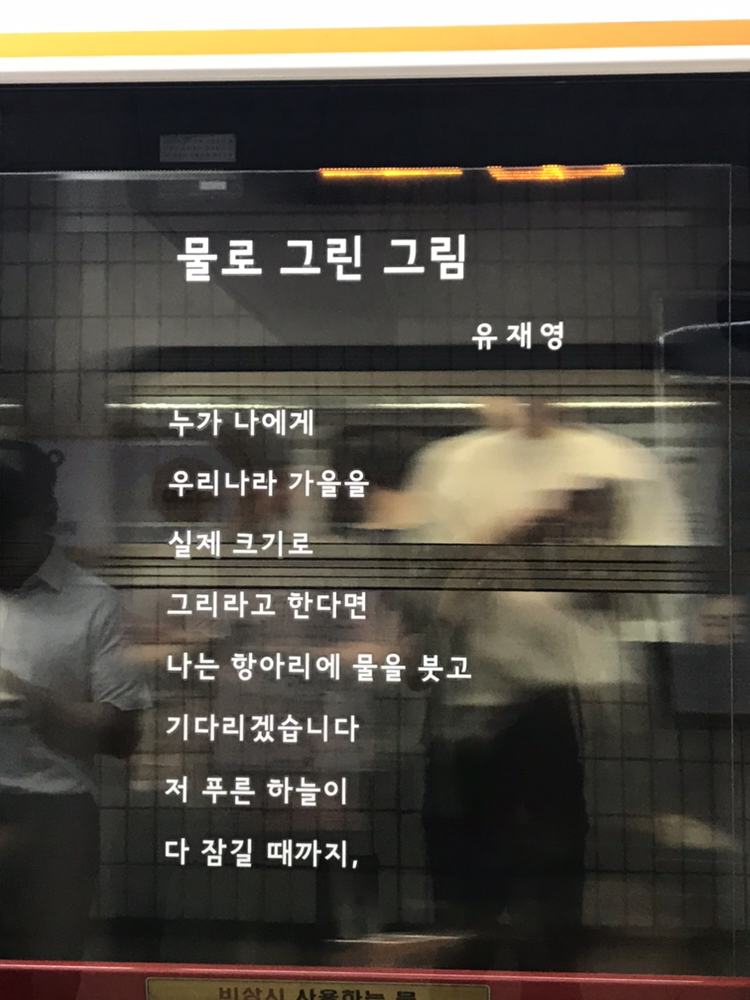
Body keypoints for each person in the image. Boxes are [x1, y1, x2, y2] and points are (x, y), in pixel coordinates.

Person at [0, 440, 150, 960]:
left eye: (6, 526)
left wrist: (29, 698)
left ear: (45, 516)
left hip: (53, 815)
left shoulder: (95, 604)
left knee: (46, 970)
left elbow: (123, 735)